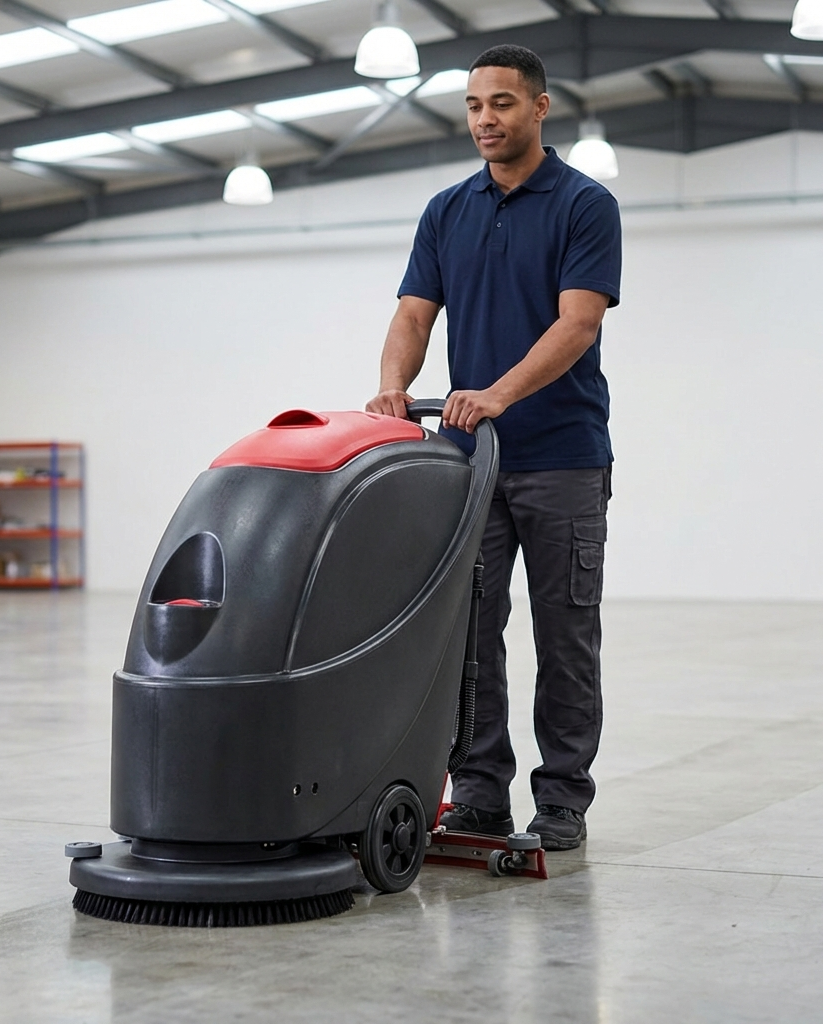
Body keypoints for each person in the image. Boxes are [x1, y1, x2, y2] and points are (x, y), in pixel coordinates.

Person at [366, 44, 622, 851]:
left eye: (502, 103)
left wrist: (499, 395)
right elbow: (414, 314)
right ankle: (478, 794)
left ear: (540, 108)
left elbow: (578, 322)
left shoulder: (585, 205)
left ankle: (563, 800)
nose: (485, 119)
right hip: (468, 463)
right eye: (475, 105)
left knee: (565, 637)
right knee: (468, 636)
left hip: (563, 457)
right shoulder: (447, 210)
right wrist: (392, 387)